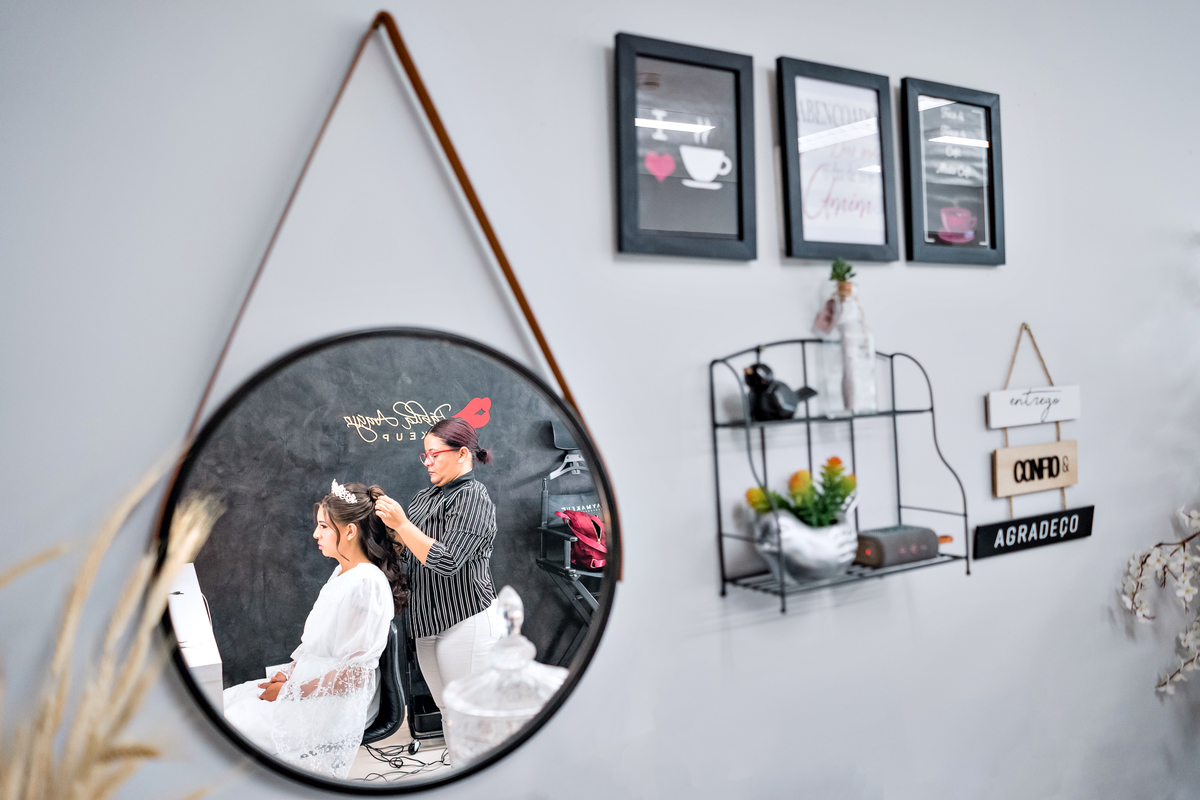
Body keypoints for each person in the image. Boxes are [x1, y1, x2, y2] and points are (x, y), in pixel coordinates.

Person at [222, 481, 406, 779]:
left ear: (350, 531)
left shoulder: (366, 584)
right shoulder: (342, 572)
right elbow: (318, 647)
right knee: (226, 700)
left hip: (338, 703)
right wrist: (289, 674)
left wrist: (290, 692)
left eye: (323, 527)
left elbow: (354, 677)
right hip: (312, 685)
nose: (315, 534)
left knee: (231, 723)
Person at [375, 417, 502, 716]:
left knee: (469, 714)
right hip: (426, 622)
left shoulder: (473, 497)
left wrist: (402, 525)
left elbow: (448, 560)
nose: (427, 463)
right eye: (425, 455)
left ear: (462, 454)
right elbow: (411, 553)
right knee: (447, 710)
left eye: (435, 454)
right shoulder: (423, 498)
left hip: (465, 618)